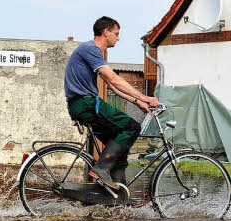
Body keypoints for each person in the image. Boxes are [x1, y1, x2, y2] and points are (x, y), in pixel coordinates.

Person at [64, 16, 160, 190]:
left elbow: (112, 87)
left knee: (119, 150)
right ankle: (101, 169)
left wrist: (138, 101)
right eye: (116, 33)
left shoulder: (94, 53)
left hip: (84, 104)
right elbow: (114, 79)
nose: (118, 38)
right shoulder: (90, 49)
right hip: (86, 104)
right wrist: (146, 97)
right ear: (105, 31)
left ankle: (117, 198)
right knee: (131, 127)